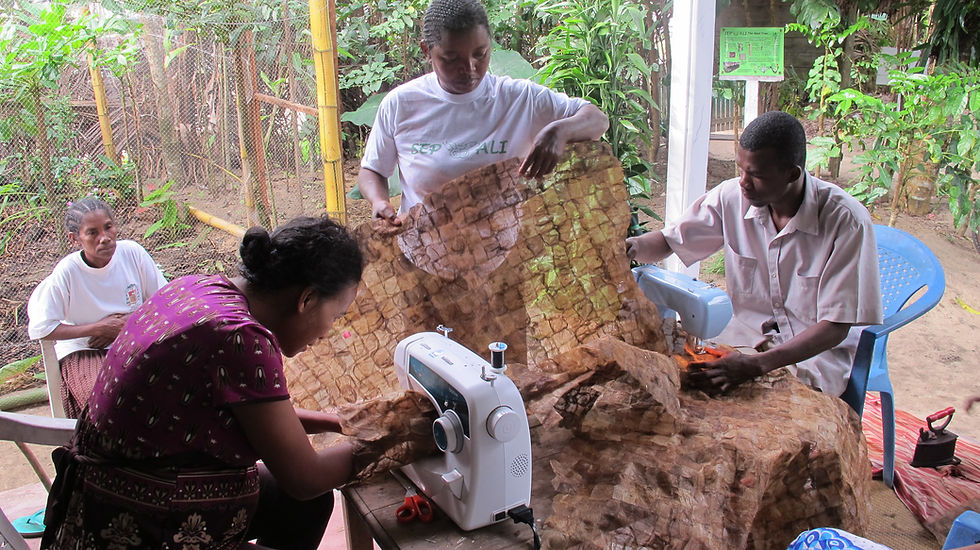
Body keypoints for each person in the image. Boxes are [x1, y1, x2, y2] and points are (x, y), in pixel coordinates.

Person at [41, 216, 364, 550]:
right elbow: (305, 478)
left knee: (309, 504)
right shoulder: (240, 337)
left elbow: (259, 417)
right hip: (132, 527)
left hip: (102, 500)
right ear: (307, 299)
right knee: (307, 493)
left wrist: (341, 423)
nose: (327, 332)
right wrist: (391, 440)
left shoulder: (200, 288)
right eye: (335, 316)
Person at [626, 111, 883, 397]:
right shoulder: (731, 198)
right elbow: (669, 240)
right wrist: (631, 248)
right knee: (669, 382)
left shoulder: (845, 221)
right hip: (743, 339)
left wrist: (756, 366)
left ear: (792, 174)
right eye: (741, 170)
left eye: (756, 175)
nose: (744, 182)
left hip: (814, 358)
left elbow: (835, 327)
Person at [359, 0, 609, 225]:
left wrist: (560, 130)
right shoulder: (401, 104)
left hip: (507, 256)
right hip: (426, 252)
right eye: (451, 58)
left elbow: (597, 120)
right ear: (427, 51)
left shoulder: (520, 98)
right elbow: (373, 169)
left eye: (480, 54)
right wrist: (379, 201)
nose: (469, 68)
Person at [27, 197, 167, 418]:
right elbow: (41, 328)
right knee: (108, 402)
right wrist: (97, 329)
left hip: (132, 341)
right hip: (84, 350)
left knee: (165, 387)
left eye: (108, 227)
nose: (105, 238)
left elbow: (164, 299)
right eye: (92, 233)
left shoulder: (132, 253)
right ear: (75, 239)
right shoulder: (68, 272)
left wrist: (128, 323)